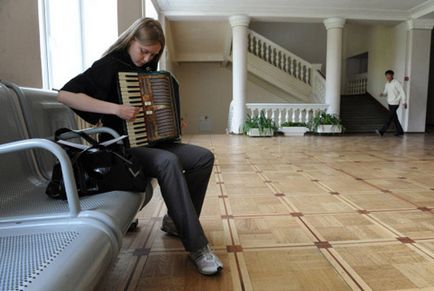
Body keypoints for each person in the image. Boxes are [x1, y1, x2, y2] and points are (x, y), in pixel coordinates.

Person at [57, 17, 223, 275]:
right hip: (122, 149)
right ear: (131, 40)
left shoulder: (150, 70)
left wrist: (172, 120)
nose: (147, 59)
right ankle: (198, 247)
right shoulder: (110, 65)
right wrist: (116, 109)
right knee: (169, 162)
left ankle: (175, 223)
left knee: (203, 157)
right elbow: (65, 94)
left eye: (153, 54)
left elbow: (152, 111)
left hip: (154, 144)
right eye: (143, 51)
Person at [376, 70, 407, 136]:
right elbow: (386, 92)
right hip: (390, 103)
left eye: (389, 75)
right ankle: (400, 131)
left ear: (392, 75)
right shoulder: (387, 83)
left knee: (389, 118)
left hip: (395, 103)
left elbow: (402, 92)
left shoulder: (396, 83)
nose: (387, 76)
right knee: (394, 118)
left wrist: (404, 101)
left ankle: (382, 131)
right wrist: (382, 94)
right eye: (386, 75)